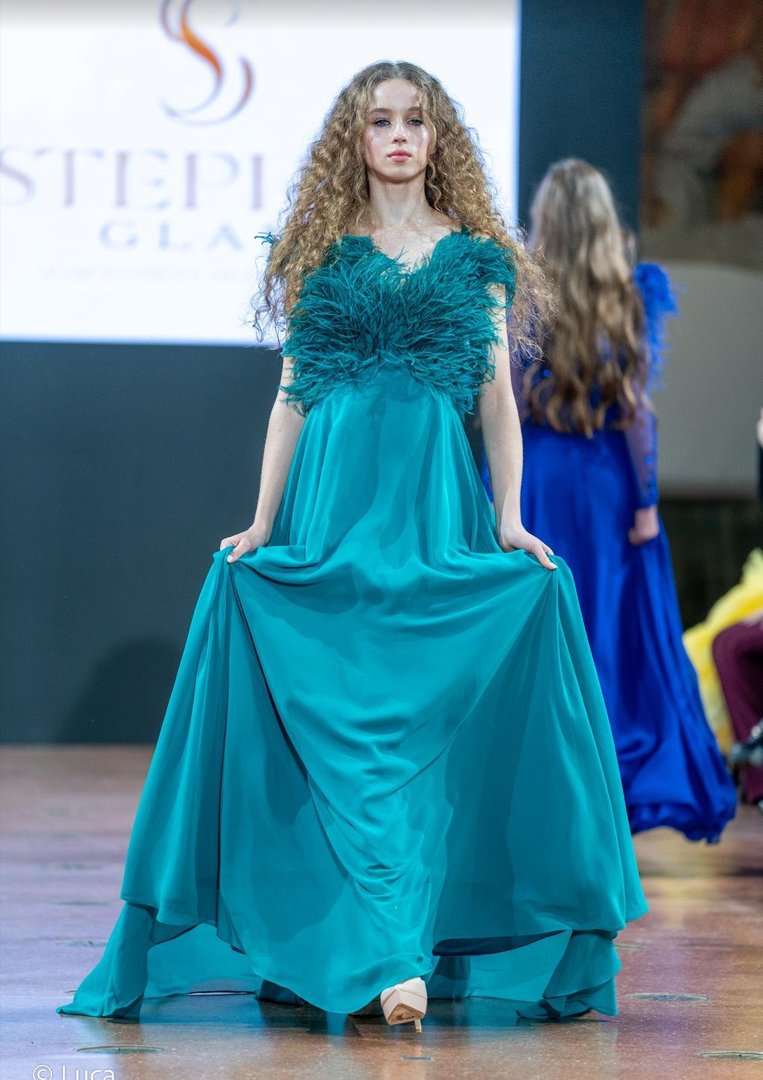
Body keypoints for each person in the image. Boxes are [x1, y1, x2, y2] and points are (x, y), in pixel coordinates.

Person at [57, 65, 646, 1031]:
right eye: (381, 121)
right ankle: (373, 958)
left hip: (431, 517)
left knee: (407, 736)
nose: (399, 135)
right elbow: (293, 396)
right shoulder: (323, 254)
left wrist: (508, 518)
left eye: (416, 120)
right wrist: (262, 523)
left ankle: (392, 957)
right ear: (357, 138)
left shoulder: (476, 259)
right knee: (341, 739)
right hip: (332, 515)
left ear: (438, 138)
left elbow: (497, 401)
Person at [484, 158, 736, 843]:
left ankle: (540, 777)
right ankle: (602, 780)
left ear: (544, 218)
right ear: (603, 220)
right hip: (604, 483)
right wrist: (646, 503)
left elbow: (504, 400)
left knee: (537, 623)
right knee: (610, 628)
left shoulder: (520, 291)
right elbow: (635, 413)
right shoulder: (628, 296)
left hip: (536, 476)